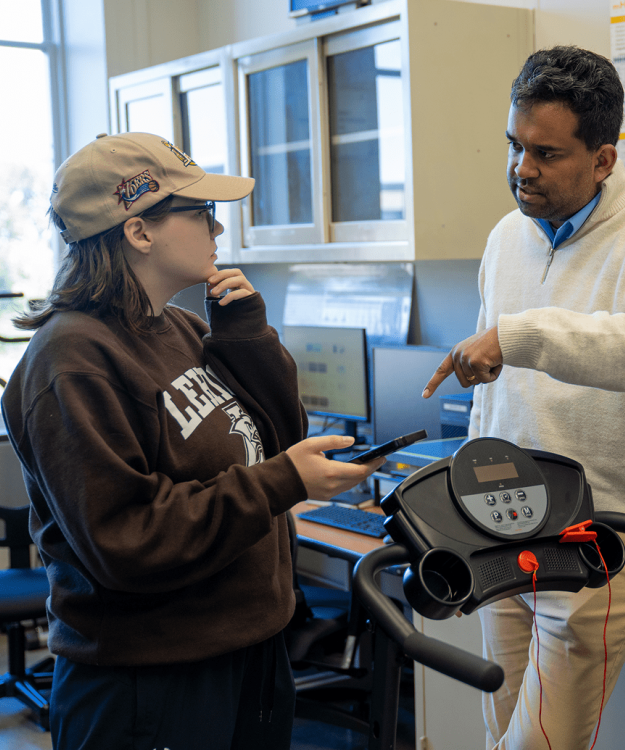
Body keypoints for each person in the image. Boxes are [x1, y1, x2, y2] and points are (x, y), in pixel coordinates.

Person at [0, 131, 385, 750]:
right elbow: (128, 539)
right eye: (201, 213)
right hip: (151, 685)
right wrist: (287, 480)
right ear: (139, 231)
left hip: (247, 652)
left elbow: (278, 440)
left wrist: (246, 335)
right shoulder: (71, 360)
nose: (217, 230)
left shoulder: (179, 326)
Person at [422, 46, 625, 749]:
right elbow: (505, 390)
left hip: (603, 533)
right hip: (507, 527)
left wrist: (520, 337)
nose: (523, 169)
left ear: (603, 159)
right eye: (514, 146)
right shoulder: (505, 236)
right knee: (503, 733)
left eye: (547, 154)